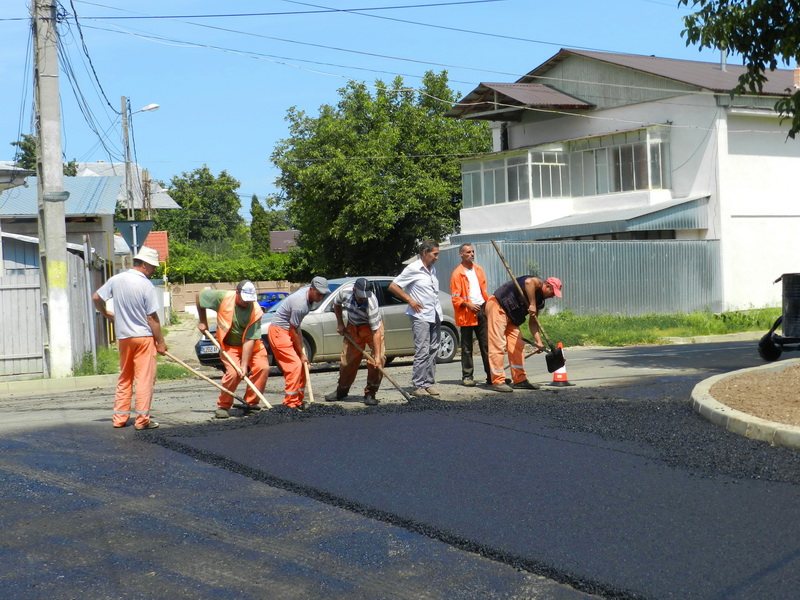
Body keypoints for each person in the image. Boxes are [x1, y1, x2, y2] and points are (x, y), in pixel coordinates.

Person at [92, 246, 167, 430]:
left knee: (125, 377)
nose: (154, 270)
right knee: (144, 379)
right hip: (143, 337)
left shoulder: (116, 280)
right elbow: (152, 317)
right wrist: (161, 342)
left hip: (124, 337)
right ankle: (142, 421)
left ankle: (120, 418)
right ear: (144, 264)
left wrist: (105, 313)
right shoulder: (145, 285)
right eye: (153, 267)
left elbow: (96, 298)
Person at [196, 280, 267, 419]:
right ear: (237, 293)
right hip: (229, 345)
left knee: (262, 368)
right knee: (233, 374)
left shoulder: (256, 310)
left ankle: (251, 404)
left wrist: (244, 365)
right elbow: (199, 296)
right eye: (244, 299)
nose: (247, 303)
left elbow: (249, 339)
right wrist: (202, 320)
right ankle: (224, 405)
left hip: (253, 346)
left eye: (249, 300)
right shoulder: (223, 297)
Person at [485, 276, 562, 393]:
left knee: (518, 345)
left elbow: (533, 323)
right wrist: (532, 304)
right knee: (497, 344)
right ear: (547, 286)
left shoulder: (540, 301)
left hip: (512, 317)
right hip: (498, 306)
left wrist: (539, 341)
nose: (553, 296)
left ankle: (519, 380)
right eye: (552, 292)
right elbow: (528, 282)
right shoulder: (537, 283)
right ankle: (498, 381)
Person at [388, 240, 444, 397]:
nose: (437, 257)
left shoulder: (432, 269)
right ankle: (418, 385)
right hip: (420, 316)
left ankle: (429, 383)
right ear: (425, 253)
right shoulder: (413, 269)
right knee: (422, 349)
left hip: (434, 314)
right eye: (435, 254)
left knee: (433, 349)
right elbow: (393, 286)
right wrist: (410, 300)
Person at [268, 276, 331, 409]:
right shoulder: (300, 304)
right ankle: (289, 403)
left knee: (304, 366)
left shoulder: (309, 299)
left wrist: (302, 352)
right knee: (294, 365)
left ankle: (298, 400)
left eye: (323, 294)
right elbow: (293, 328)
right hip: (279, 331)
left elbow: (296, 327)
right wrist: (302, 353)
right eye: (319, 293)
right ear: (312, 289)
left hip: (290, 329)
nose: (321, 297)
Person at [325, 278, 385, 406]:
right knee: (347, 362)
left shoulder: (371, 302)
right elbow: (337, 304)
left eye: (365, 296)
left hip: (371, 329)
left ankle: (370, 393)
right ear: (354, 291)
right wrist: (340, 324)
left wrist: (378, 357)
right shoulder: (344, 292)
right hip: (353, 327)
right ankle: (342, 390)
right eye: (360, 296)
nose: (363, 299)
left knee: (376, 362)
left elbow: (376, 332)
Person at [450, 243, 491, 387]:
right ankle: (467, 376)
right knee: (467, 348)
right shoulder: (457, 273)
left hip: (481, 310)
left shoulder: (478, 270)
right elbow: (455, 297)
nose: (472, 254)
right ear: (461, 254)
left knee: (486, 345)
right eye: (468, 252)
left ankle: (492, 376)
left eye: (473, 251)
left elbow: (484, 290)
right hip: (467, 313)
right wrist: (468, 304)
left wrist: (486, 306)